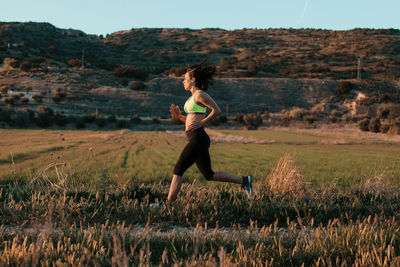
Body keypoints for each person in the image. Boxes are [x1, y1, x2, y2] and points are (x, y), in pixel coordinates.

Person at [167, 59, 253, 202]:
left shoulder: (200, 95)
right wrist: (178, 116)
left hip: (198, 139)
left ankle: (168, 205)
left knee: (178, 169)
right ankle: (244, 181)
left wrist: (202, 123)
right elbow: (190, 121)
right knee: (209, 175)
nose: (183, 81)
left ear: (193, 80)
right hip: (196, 137)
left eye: (185, 79)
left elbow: (217, 110)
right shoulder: (191, 98)